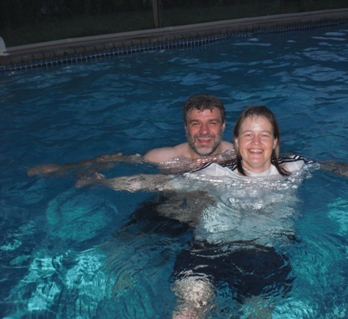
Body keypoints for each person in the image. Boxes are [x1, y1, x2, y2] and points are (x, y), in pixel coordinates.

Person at [77, 106, 314, 319]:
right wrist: (104, 183)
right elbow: (157, 183)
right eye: (248, 135)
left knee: (258, 313)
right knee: (188, 311)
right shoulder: (214, 174)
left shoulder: (294, 167)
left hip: (262, 255)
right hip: (206, 252)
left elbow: (330, 166)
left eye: (264, 135)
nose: (255, 142)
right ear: (237, 141)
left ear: (274, 141)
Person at [27, 94, 235, 177]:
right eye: (196, 124)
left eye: (212, 123)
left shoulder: (238, 155)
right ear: (185, 128)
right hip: (168, 211)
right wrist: (65, 169)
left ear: (223, 126)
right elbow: (121, 160)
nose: (204, 132)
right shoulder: (163, 157)